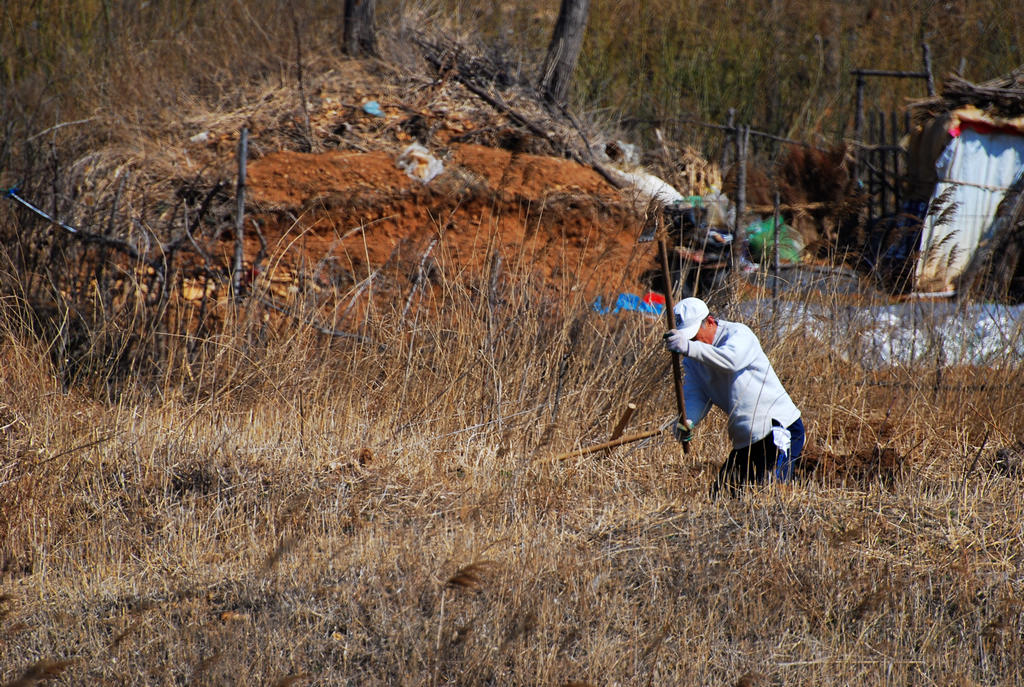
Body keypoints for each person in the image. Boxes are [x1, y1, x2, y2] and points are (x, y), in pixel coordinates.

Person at [663, 297, 805, 496]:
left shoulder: (738, 334)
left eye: (694, 336)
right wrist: (687, 420)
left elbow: (731, 361)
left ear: (710, 322)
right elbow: (697, 395)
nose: (692, 342)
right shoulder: (693, 359)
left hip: (777, 427)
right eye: (688, 339)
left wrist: (689, 347)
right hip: (747, 438)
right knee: (721, 496)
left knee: (771, 493)